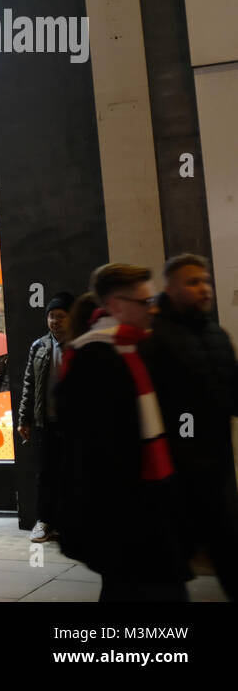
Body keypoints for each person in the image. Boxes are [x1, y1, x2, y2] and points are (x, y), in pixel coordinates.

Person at [57, 263, 191, 602]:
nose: (153, 308)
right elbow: (91, 450)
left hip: (151, 500)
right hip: (124, 511)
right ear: (116, 304)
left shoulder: (139, 347)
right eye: (144, 302)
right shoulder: (93, 356)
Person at [140, 254, 238, 600]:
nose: (204, 289)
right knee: (169, 569)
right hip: (176, 476)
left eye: (206, 281)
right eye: (193, 282)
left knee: (228, 554)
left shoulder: (217, 335)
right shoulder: (153, 338)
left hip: (218, 471)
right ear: (171, 288)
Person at [18, 292, 74, 543]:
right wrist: (24, 419)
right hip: (46, 422)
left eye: (61, 316)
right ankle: (44, 521)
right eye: (51, 316)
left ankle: (69, 523)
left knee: (72, 473)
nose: (55, 321)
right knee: (46, 474)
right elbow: (29, 385)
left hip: (74, 424)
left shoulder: (81, 345)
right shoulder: (39, 346)